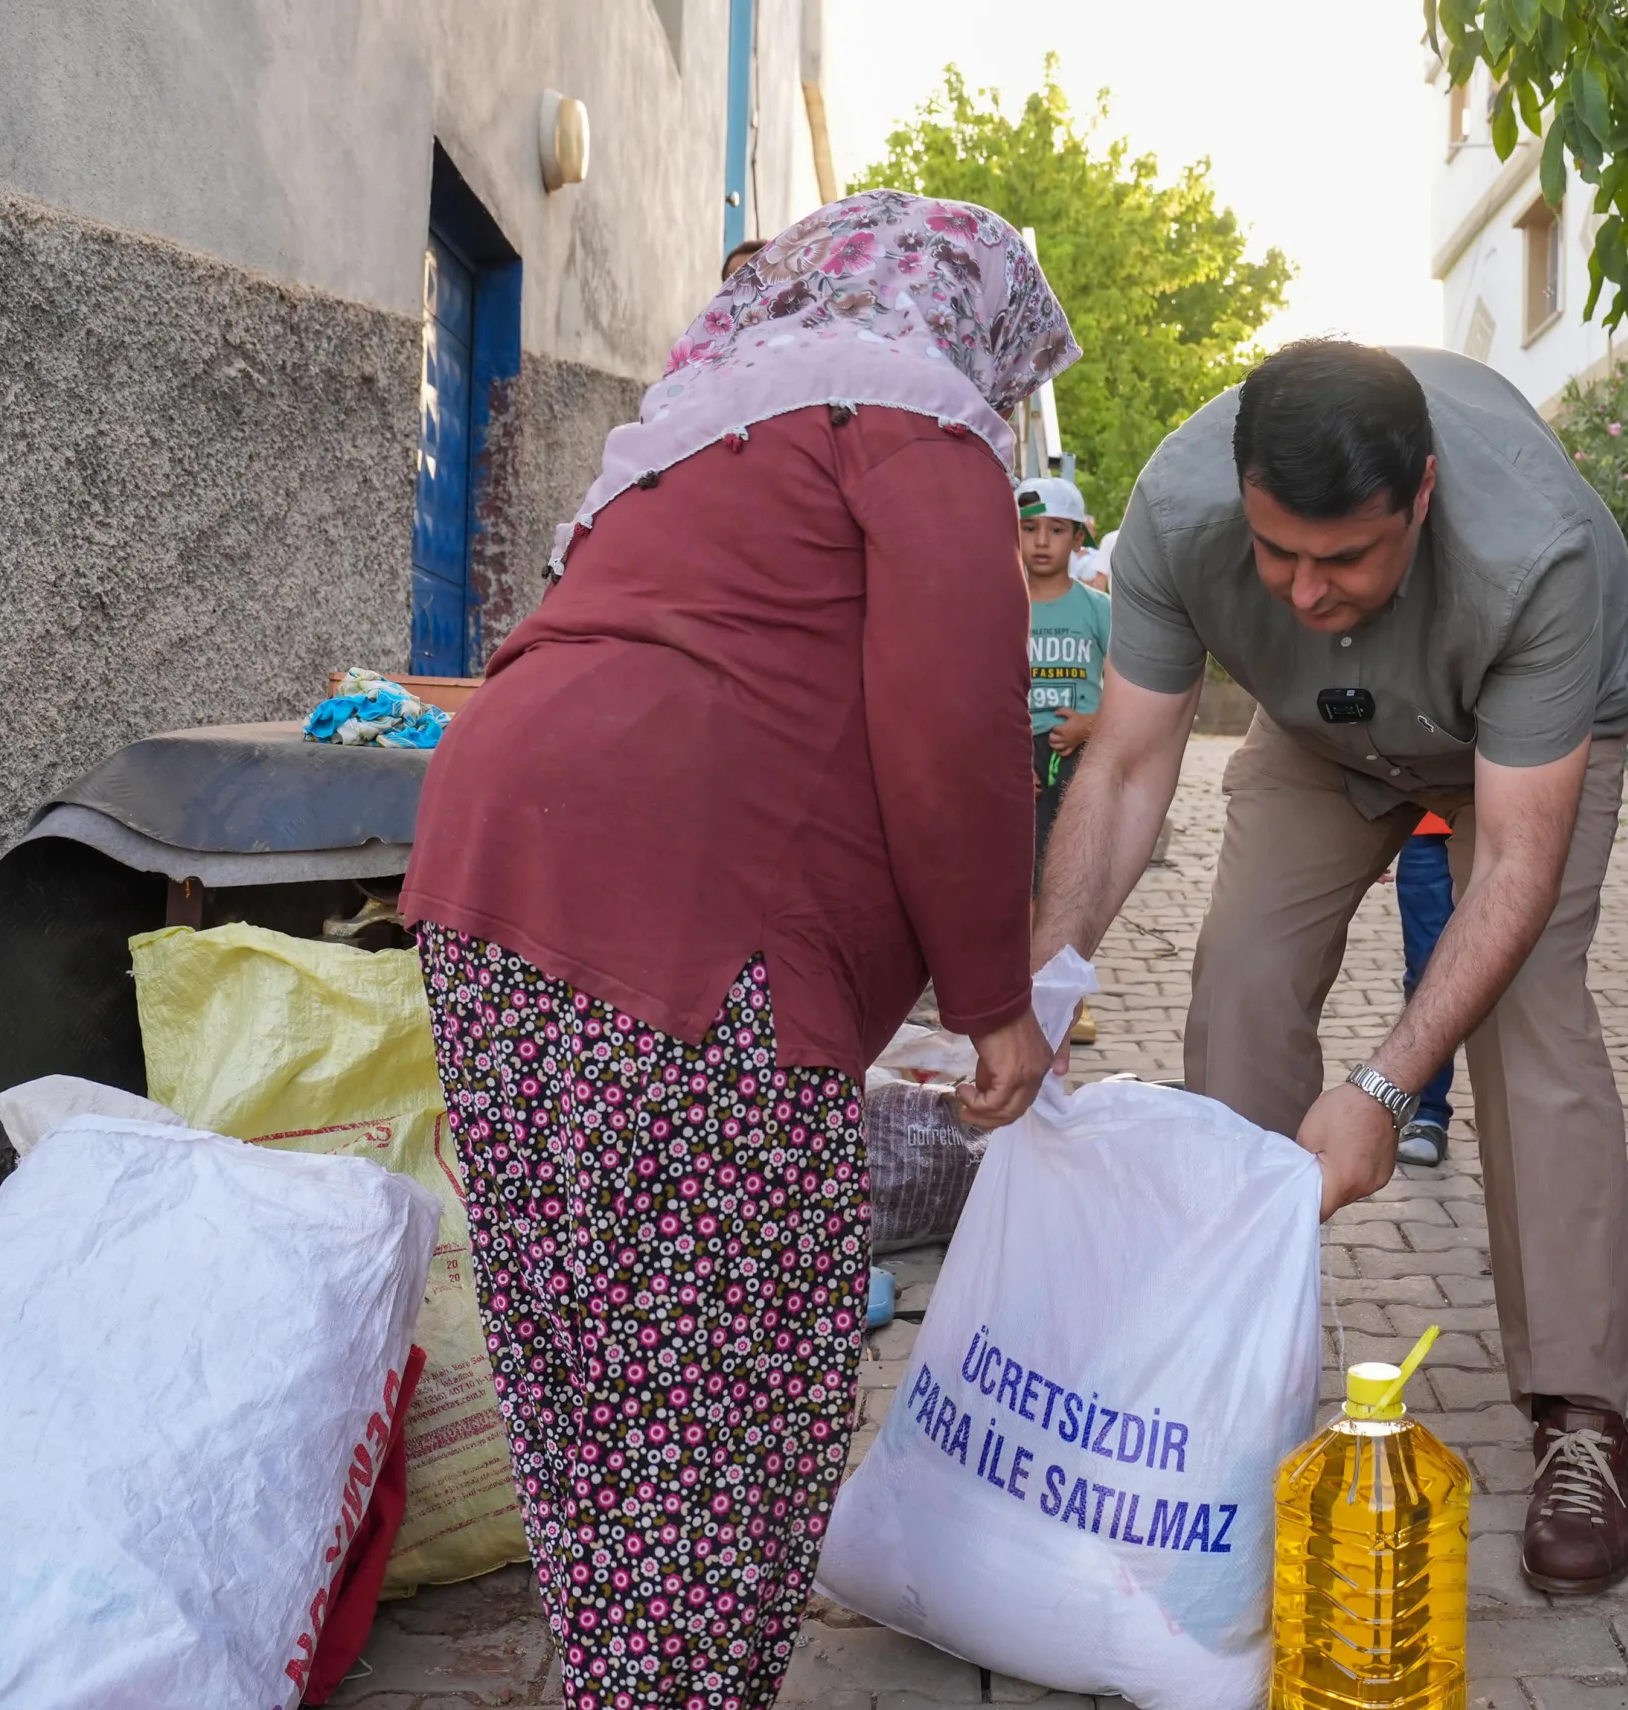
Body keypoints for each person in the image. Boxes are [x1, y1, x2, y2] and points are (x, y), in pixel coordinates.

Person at [397, 191, 1078, 1705]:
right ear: (972, 321)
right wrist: (997, 1006)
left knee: (583, 1349)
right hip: (679, 921)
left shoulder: (704, 429)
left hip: (493, 872)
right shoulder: (916, 427)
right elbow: (956, 737)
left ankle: (619, 1677)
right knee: (726, 1386)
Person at [1030, 338, 1628, 1592]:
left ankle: (1579, 1413)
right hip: (1321, 735)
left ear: (1419, 496)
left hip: (1521, 742)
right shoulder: (1177, 505)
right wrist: (1039, 988)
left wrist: (1384, 1088)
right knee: (1240, 982)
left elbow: (1513, 873)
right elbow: (1128, 762)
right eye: (1278, 556)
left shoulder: (1536, 553)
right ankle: (1232, 1370)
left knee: (1525, 1007)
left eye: (1346, 557)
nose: (1304, 594)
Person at [1020, 475, 1110, 876]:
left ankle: (1064, 939)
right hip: (1020, 763)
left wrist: (1092, 724)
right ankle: (1029, 939)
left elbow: (1131, 687)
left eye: (1056, 530)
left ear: (1078, 540)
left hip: (1081, 757)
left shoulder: (1098, 608)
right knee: (1021, 871)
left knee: (1075, 867)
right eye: (1028, 528)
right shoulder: (1001, 607)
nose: (1041, 541)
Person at [1393, 814, 1459, 1166]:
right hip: (1429, 827)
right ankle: (1427, 1114)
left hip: (1518, 817)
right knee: (1428, 971)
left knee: (1522, 982)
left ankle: (1529, 1114)